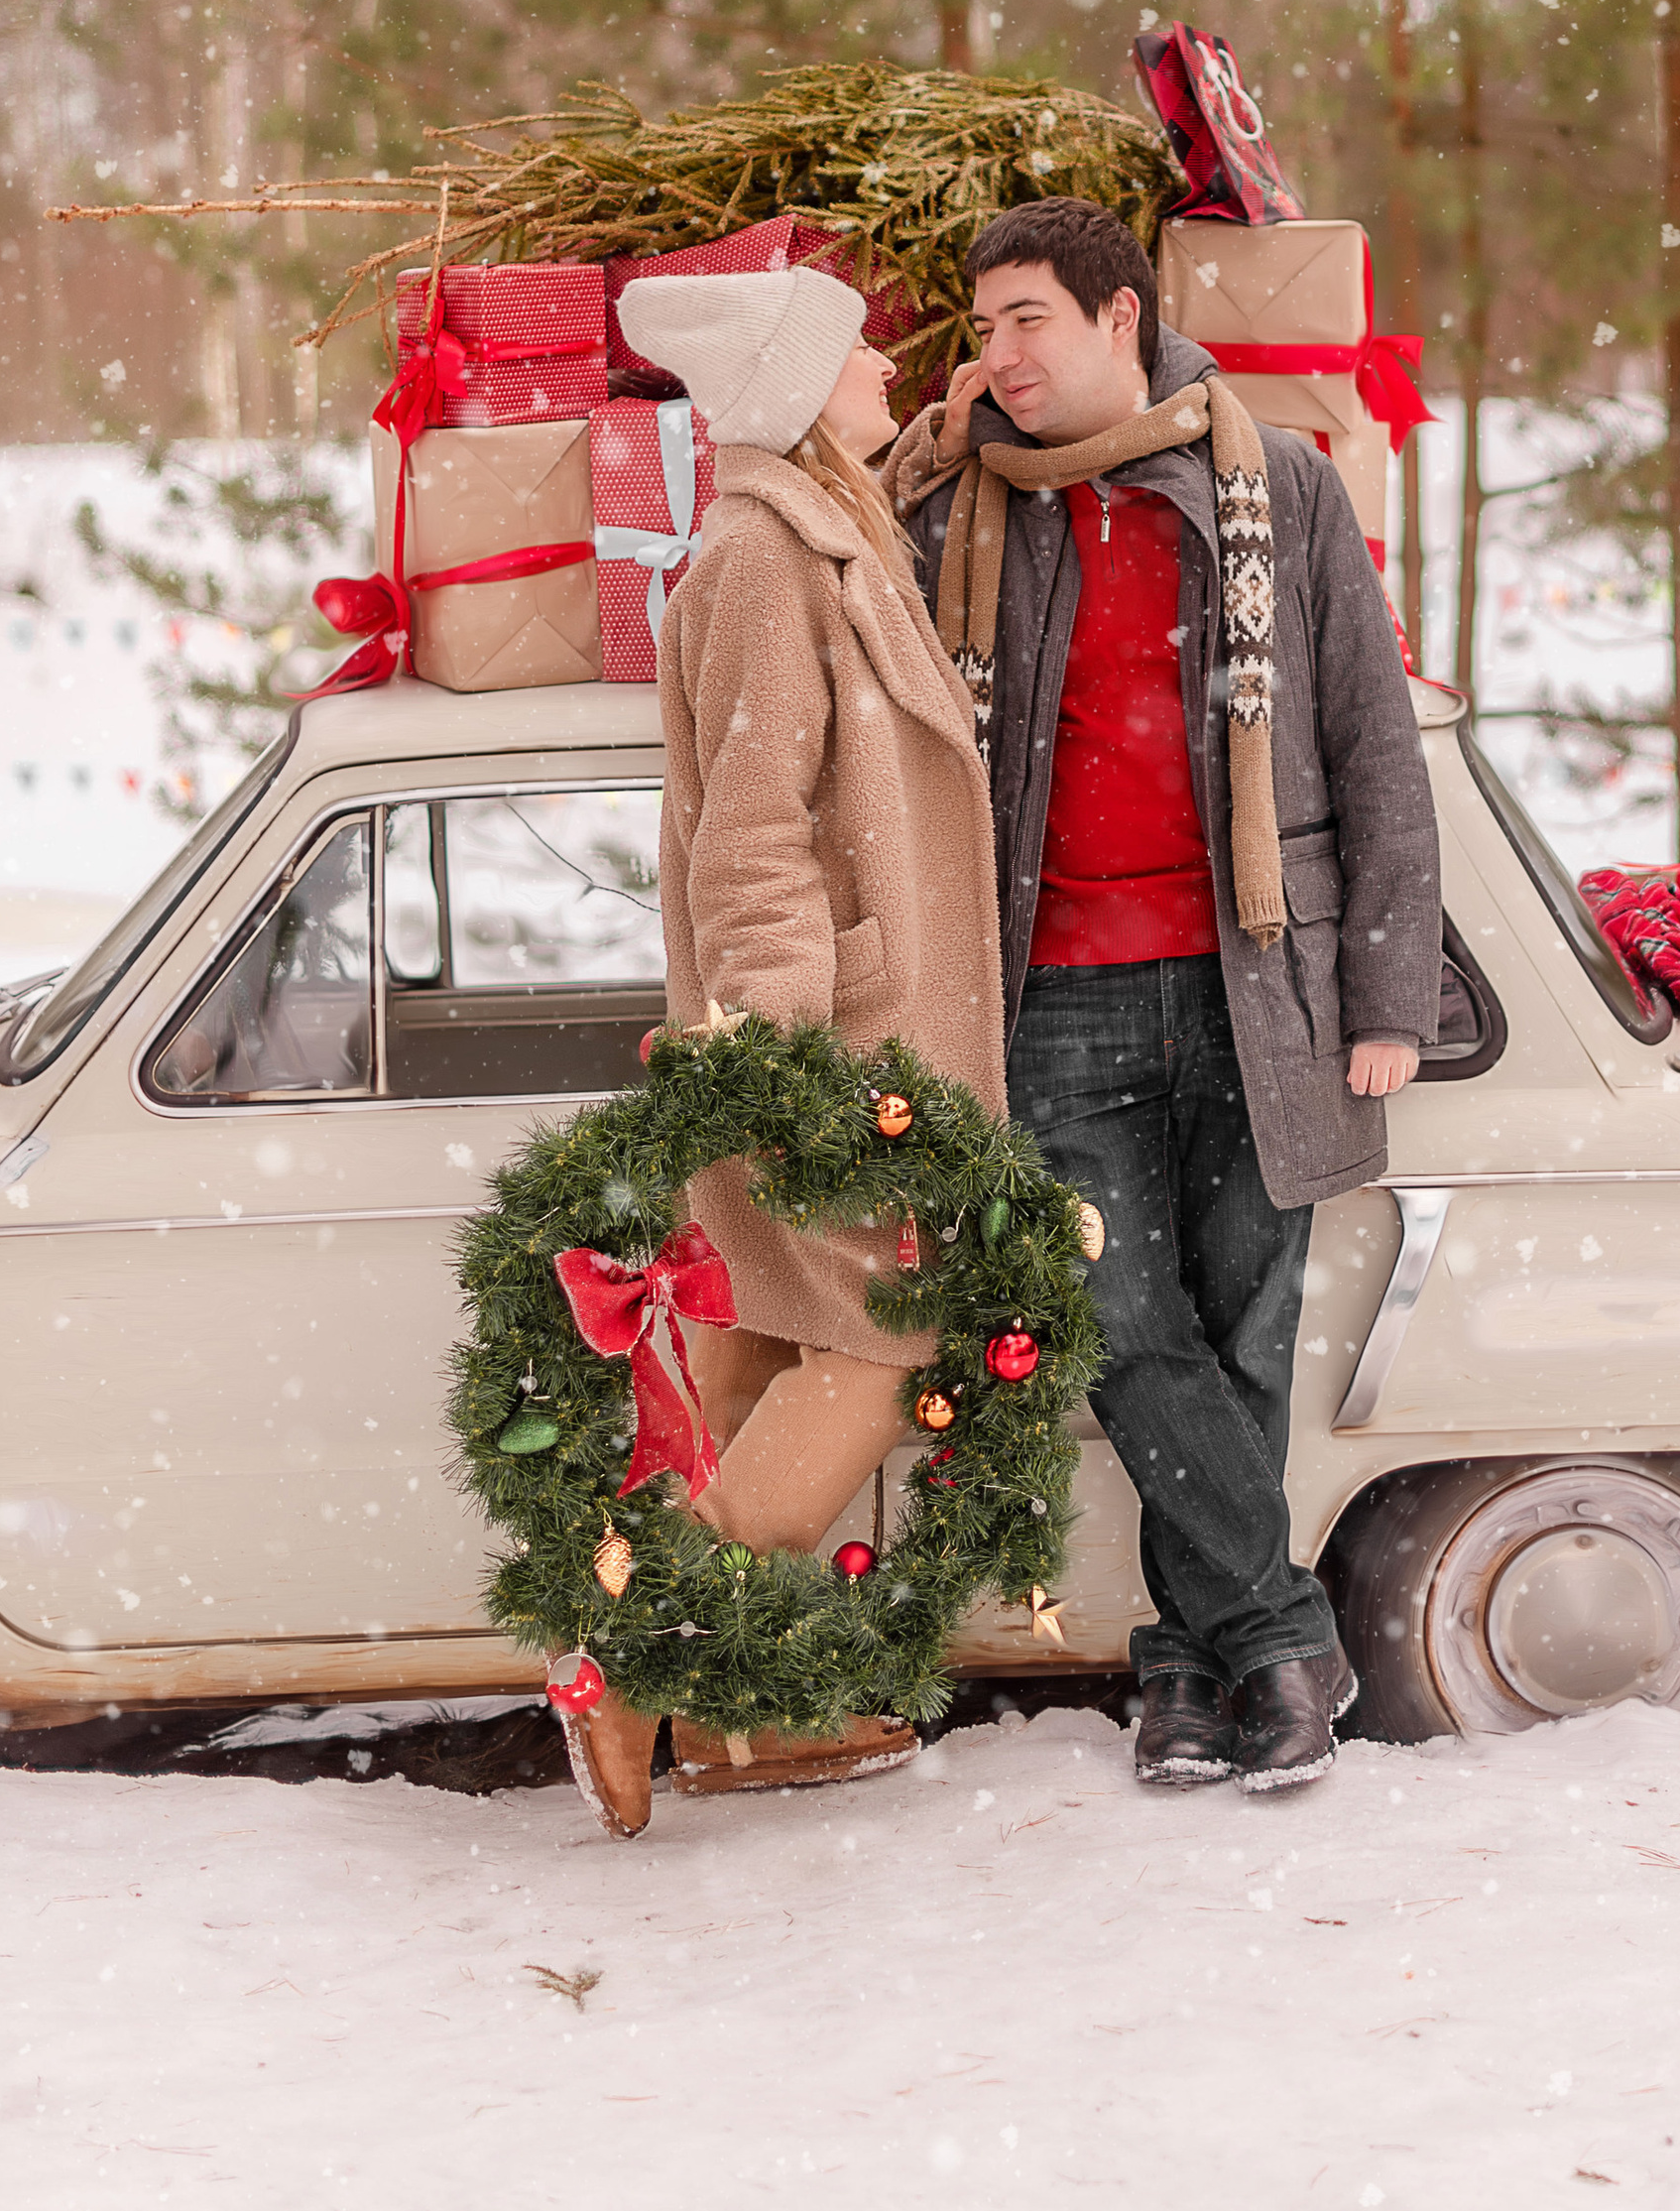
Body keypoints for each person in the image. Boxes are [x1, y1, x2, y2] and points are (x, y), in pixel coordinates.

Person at [888, 196, 1441, 1792]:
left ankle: (1194, 1671)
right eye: (980, 328)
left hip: (1256, 985)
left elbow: (1371, 743)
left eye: (1025, 321)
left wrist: (1387, 989)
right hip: (1051, 993)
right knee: (1123, 1325)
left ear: (1120, 317)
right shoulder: (962, 506)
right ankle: (1280, 1632)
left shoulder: (1282, 486)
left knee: (1246, 1329)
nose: (997, 356)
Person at [560, 264, 1006, 1836]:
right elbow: (750, 841)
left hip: (843, 1029)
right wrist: (790, 1070)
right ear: (794, 383)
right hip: (826, 1046)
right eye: (856, 346)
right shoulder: (759, 557)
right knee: (886, 1347)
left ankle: (733, 1721)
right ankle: (631, 1668)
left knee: (750, 1355)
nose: (884, 360)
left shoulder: (818, 522)